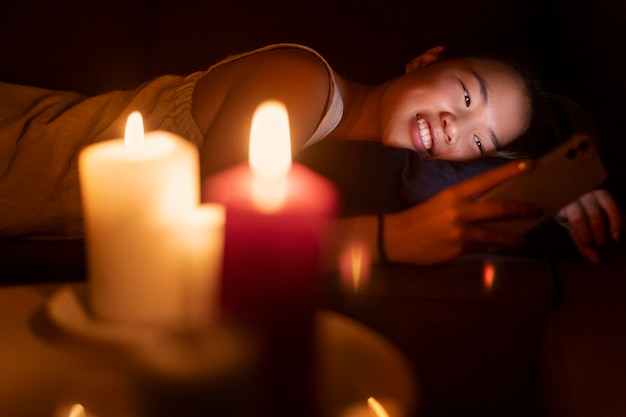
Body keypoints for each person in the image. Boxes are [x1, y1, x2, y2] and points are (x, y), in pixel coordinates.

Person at [0, 43, 621, 266]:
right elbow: (210, 227)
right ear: (425, 60)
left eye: (479, 141)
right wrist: (386, 240)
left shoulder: (357, 165)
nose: (453, 126)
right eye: (463, 93)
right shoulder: (301, 80)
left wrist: (549, 195)